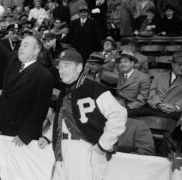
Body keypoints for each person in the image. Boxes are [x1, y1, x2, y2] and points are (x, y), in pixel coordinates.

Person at [39, 49, 127, 180]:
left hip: (84, 149)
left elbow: (119, 114)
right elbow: (62, 118)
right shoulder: (66, 89)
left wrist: (104, 145)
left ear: (79, 67)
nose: (61, 70)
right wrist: (48, 137)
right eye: (60, 66)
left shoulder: (94, 88)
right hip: (62, 147)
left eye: (66, 65)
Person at [0, 7, 53, 146]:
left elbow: (40, 110)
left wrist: (25, 135)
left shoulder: (43, 75)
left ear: (36, 51)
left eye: (26, 45)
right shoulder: (13, 59)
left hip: (23, 136)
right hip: (5, 127)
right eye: (21, 45)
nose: (21, 47)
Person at [145, 53, 182, 120]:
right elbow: (152, 92)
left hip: (175, 113)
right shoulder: (158, 76)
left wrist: (175, 107)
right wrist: (158, 104)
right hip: (157, 109)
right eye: (179, 64)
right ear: (172, 65)